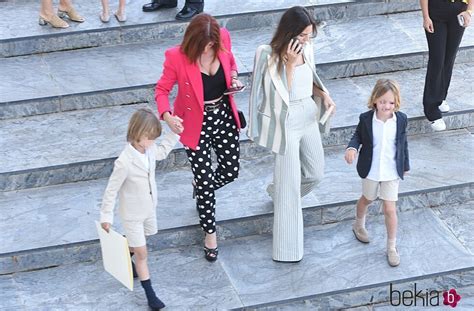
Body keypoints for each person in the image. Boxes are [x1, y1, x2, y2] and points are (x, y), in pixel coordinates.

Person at [248, 6, 336, 262]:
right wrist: (288, 65)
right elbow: (273, 95)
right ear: (290, 32)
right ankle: (287, 252)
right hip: (285, 120)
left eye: (309, 35)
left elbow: (309, 82)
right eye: (303, 35)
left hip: (307, 113)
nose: (307, 40)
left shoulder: (308, 48)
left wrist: (324, 95)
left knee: (315, 172)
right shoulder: (266, 55)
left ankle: (278, 192)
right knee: (289, 187)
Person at [155, 14, 243, 262]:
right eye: (204, 46)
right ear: (193, 42)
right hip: (195, 123)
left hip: (224, 115)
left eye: (212, 45)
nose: (209, 49)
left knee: (230, 171)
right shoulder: (176, 56)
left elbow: (231, 61)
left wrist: (234, 77)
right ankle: (210, 233)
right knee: (205, 182)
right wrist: (168, 115)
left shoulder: (222, 38)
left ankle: (201, 187)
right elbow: (162, 90)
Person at [100, 108, 179, 310]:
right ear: (140, 136)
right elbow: (111, 190)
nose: (153, 142)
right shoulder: (124, 162)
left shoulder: (149, 150)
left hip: (149, 208)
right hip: (132, 215)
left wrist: (175, 133)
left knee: (144, 237)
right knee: (143, 254)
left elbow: (161, 152)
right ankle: (151, 296)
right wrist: (106, 216)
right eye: (151, 138)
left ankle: (125, 252)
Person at [344, 79, 410, 267]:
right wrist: (352, 148)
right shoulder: (366, 119)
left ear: (396, 102)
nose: (386, 106)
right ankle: (359, 224)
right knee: (367, 198)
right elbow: (357, 136)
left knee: (390, 208)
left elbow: (403, 143)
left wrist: (405, 164)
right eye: (382, 102)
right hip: (371, 169)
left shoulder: (401, 119)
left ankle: (391, 246)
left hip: (391, 170)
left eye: (391, 102)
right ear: (374, 100)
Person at [420, 0, 472, 131]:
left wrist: (469, 12)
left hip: (459, 11)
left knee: (449, 58)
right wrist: (426, 17)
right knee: (437, 59)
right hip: (436, 11)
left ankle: (441, 96)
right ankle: (432, 111)